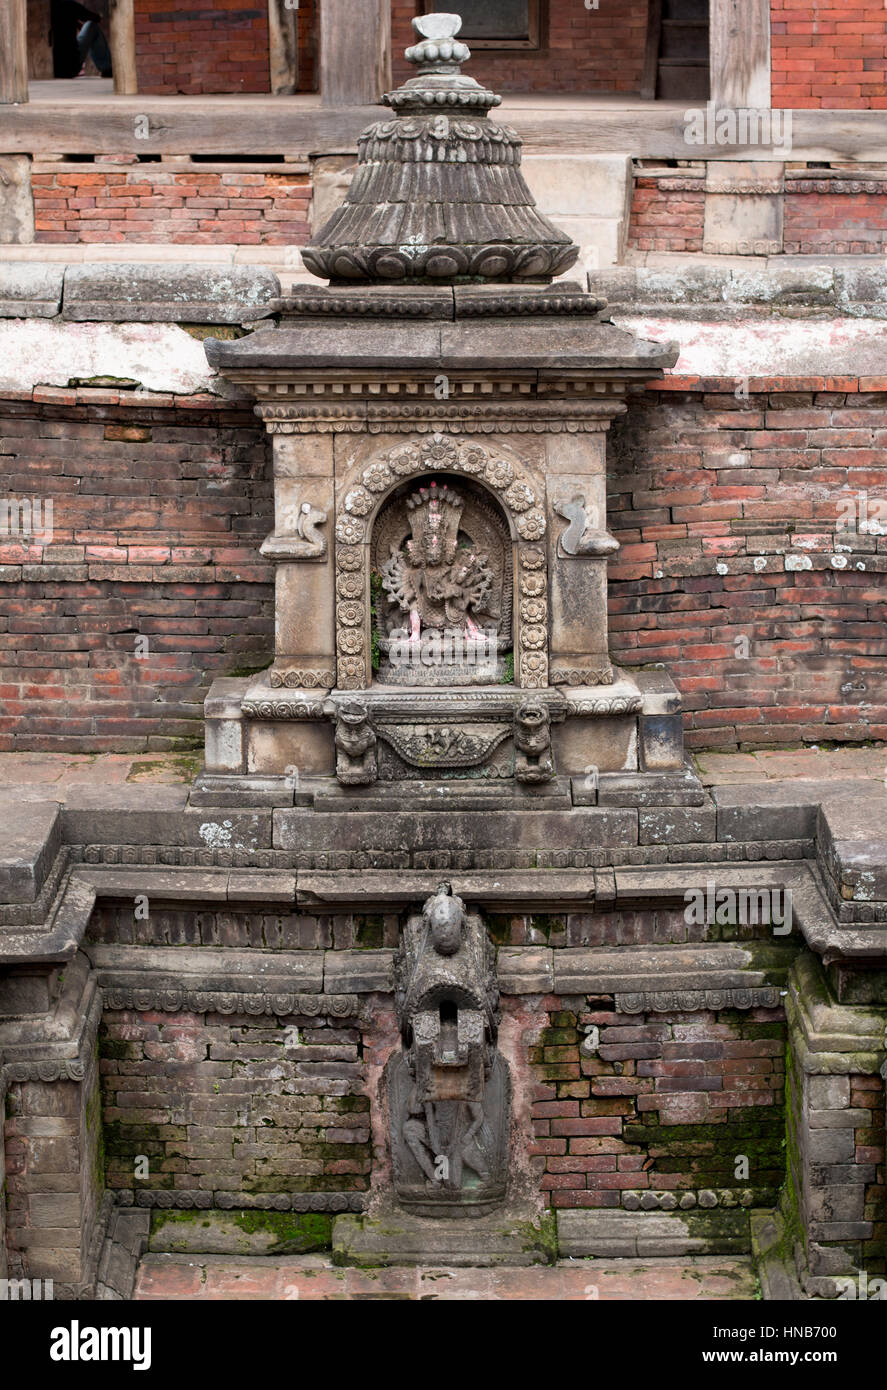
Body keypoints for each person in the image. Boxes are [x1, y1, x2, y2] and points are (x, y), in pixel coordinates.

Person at [51, 1, 113, 79]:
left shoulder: (51, 6)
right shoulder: (70, 5)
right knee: (91, 26)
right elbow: (95, 18)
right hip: (70, 67)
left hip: (55, 70)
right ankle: (106, 68)